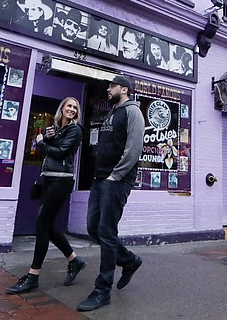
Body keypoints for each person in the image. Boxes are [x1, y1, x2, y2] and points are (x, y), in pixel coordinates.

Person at [77, 75, 145, 312]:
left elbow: (134, 148)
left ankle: (102, 290)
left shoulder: (132, 112)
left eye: (112, 86)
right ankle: (128, 260)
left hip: (116, 181)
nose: (108, 89)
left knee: (106, 231)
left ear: (124, 89)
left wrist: (116, 175)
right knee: (93, 228)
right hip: (100, 179)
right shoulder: (111, 112)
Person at [7, 97, 86, 294]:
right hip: (49, 179)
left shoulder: (75, 130)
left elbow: (60, 153)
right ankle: (74, 261)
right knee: (47, 225)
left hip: (61, 180)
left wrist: (42, 143)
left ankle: (33, 275)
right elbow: (51, 152)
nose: (72, 109)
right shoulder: (58, 129)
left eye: (75, 107)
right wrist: (48, 139)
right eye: (68, 106)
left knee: (42, 224)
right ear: (62, 108)